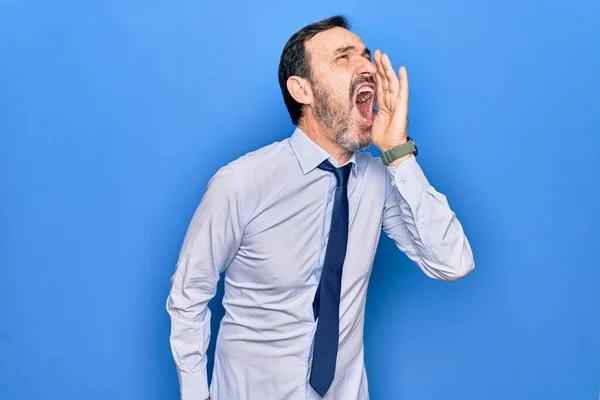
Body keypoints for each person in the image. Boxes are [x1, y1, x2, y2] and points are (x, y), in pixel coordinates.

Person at [166, 15, 474, 400]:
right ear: (302, 90)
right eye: (344, 57)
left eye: (365, 55)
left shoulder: (381, 179)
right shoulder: (241, 183)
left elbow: (452, 262)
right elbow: (189, 295)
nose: (367, 67)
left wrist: (398, 155)